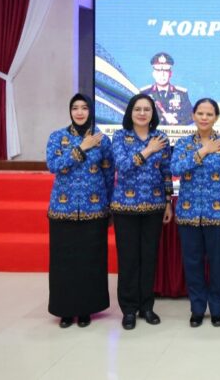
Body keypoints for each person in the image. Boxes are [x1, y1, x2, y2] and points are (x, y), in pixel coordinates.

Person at [46, 93, 114, 328]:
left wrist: (108, 207)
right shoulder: (58, 137)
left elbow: (108, 174)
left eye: (84, 107)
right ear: (70, 111)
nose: (80, 112)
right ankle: (66, 310)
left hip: (94, 210)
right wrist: (82, 148)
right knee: (64, 262)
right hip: (62, 210)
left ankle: (86, 309)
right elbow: (54, 166)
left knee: (90, 262)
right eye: (75, 108)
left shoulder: (102, 140)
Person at [171, 98, 220, 328]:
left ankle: (218, 310)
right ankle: (197, 309)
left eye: (209, 114)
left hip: (218, 214)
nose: (204, 118)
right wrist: (203, 151)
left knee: (218, 264)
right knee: (192, 264)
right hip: (188, 215)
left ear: (216, 117)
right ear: (193, 116)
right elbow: (176, 169)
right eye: (200, 113)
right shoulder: (182, 144)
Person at [111, 93, 174, 330]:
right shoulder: (120, 137)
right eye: (137, 109)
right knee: (128, 259)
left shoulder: (161, 137)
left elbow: (166, 171)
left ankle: (147, 306)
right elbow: (124, 167)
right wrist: (148, 151)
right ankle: (128, 309)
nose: (142, 113)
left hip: (155, 207)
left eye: (147, 109)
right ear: (130, 112)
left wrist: (168, 201)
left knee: (149, 258)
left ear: (153, 113)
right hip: (125, 209)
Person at [140, 52, 193, 125]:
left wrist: (177, 121)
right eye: (158, 71)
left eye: (166, 71)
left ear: (170, 73)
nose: (162, 75)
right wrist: (162, 117)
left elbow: (191, 116)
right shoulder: (144, 93)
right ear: (153, 74)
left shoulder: (181, 94)